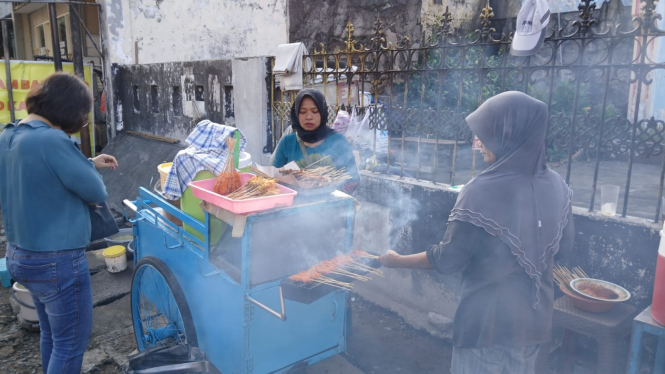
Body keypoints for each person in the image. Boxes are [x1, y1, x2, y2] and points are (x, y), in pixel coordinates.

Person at [379, 91, 574, 374]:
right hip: (533, 324)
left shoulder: (481, 190)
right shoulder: (559, 186)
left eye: (486, 133)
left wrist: (395, 260)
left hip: (486, 325)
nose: (478, 142)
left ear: (508, 135)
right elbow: (564, 249)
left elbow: (449, 259)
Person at [0, 72, 118, 374]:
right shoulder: (52, 139)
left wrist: (89, 163)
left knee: (53, 335)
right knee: (70, 344)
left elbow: (38, 176)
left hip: (19, 254)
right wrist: (87, 168)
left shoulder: (10, 135)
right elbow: (96, 191)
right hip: (56, 260)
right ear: (70, 111)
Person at [272, 88, 360, 194]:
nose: (309, 117)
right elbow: (274, 179)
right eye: (303, 112)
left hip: (331, 204)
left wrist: (333, 191)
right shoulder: (287, 142)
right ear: (296, 115)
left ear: (322, 113)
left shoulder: (338, 141)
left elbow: (353, 178)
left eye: (314, 111)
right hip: (295, 206)